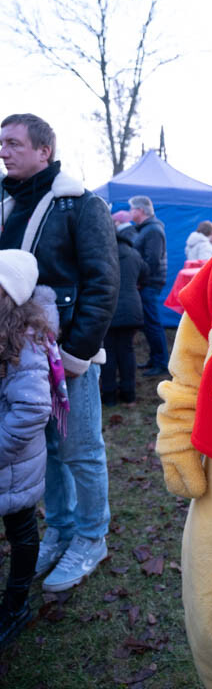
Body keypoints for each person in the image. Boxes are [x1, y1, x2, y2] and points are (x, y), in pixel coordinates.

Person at [0, 113, 119, 593]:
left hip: (69, 355)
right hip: (18, 356)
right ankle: (62, 529)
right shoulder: (6, 206)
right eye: (2, 143)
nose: (3, 151)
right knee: (44, 450)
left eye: (13, 143)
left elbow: (103, 284)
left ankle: (92, 537)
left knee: (81, 451)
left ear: (43, 151)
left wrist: (75, 354)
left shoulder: (83, 206)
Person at [0, 251, 56, 647]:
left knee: (21, 531)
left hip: (13, 462)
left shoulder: (26, 341)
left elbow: (34, 408)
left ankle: (16, 604)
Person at [101, 211, 149, 407]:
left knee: (108, 352)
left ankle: (109, 396)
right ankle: (129, 395)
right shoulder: (134, 254)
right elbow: (145, 275)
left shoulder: (103, 255)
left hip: (107, 309)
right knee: (127, 351)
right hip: (131, 309)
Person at [128, 195, 169, 376]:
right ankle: (155, 358)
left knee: (152, 323)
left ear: (141, 210)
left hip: (149, 283)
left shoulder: (152, 230)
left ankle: (161, 362)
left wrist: (140, 281)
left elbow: (152, 260)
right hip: (146, 282)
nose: (130, 212)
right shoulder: (147, 229)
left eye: (132, 209)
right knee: (148, 323)